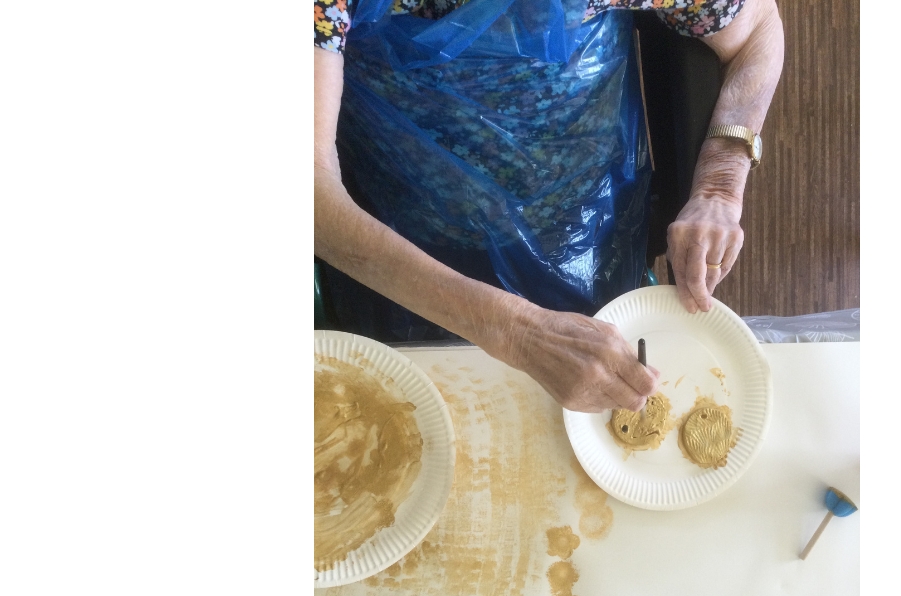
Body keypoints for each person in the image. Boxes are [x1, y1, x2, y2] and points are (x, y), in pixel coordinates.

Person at [315, 0, 783, 414]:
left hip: (590, 238)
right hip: (396, 250)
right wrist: (516, 332)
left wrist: (719, 186)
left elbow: (758, 28)